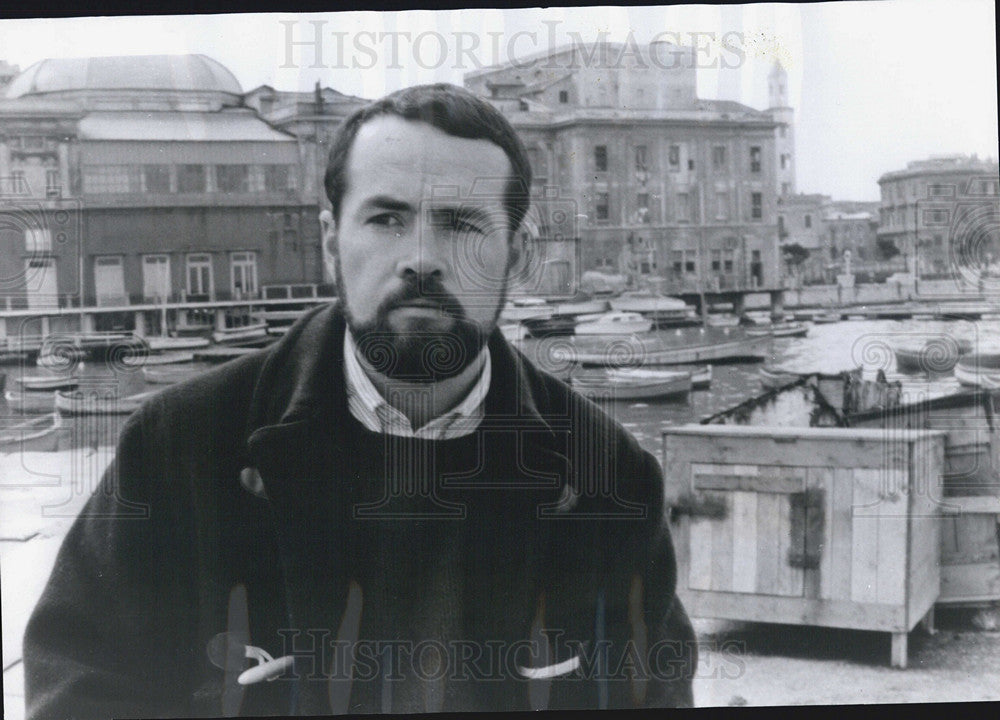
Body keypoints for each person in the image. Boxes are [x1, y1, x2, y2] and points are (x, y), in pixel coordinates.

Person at [23, 83, 696, 718]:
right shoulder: (179, 449)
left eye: (460, 224)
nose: (422, 259)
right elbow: (83, 684)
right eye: (387, 219)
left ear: (517, 255)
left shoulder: (609, 475)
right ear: (329, 243)